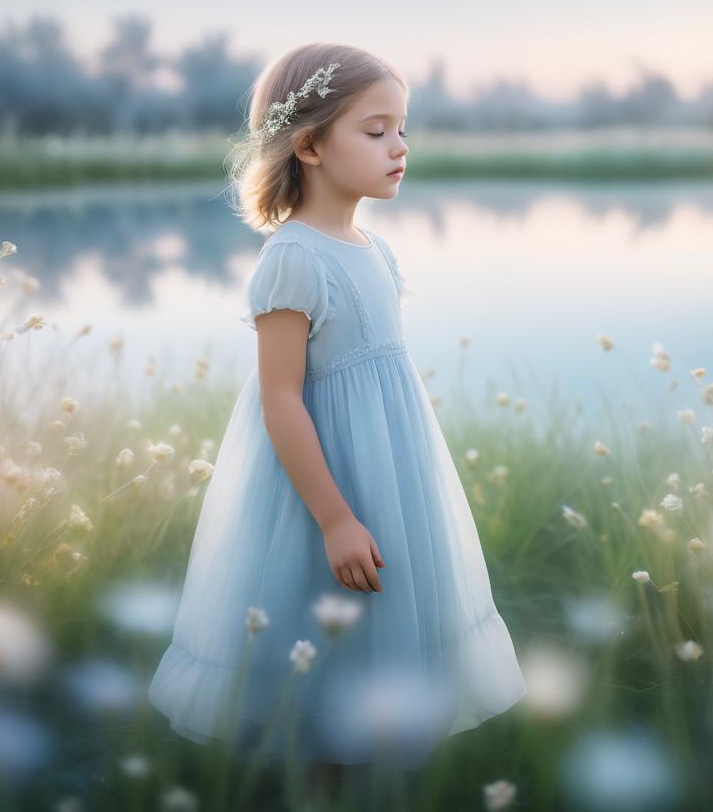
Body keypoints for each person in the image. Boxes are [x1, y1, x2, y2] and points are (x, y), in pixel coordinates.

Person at [147, 42, 527, 776]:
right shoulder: (295, 257)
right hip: (321, 484)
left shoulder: (372, 249)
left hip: (389, 463)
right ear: (311, 144)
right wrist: (334, 516)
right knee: (312, 621)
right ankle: (315, 770)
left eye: (403, 128)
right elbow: (280, 398)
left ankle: (377, 758)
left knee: (389, 617)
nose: (400, 147)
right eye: (376, 130)